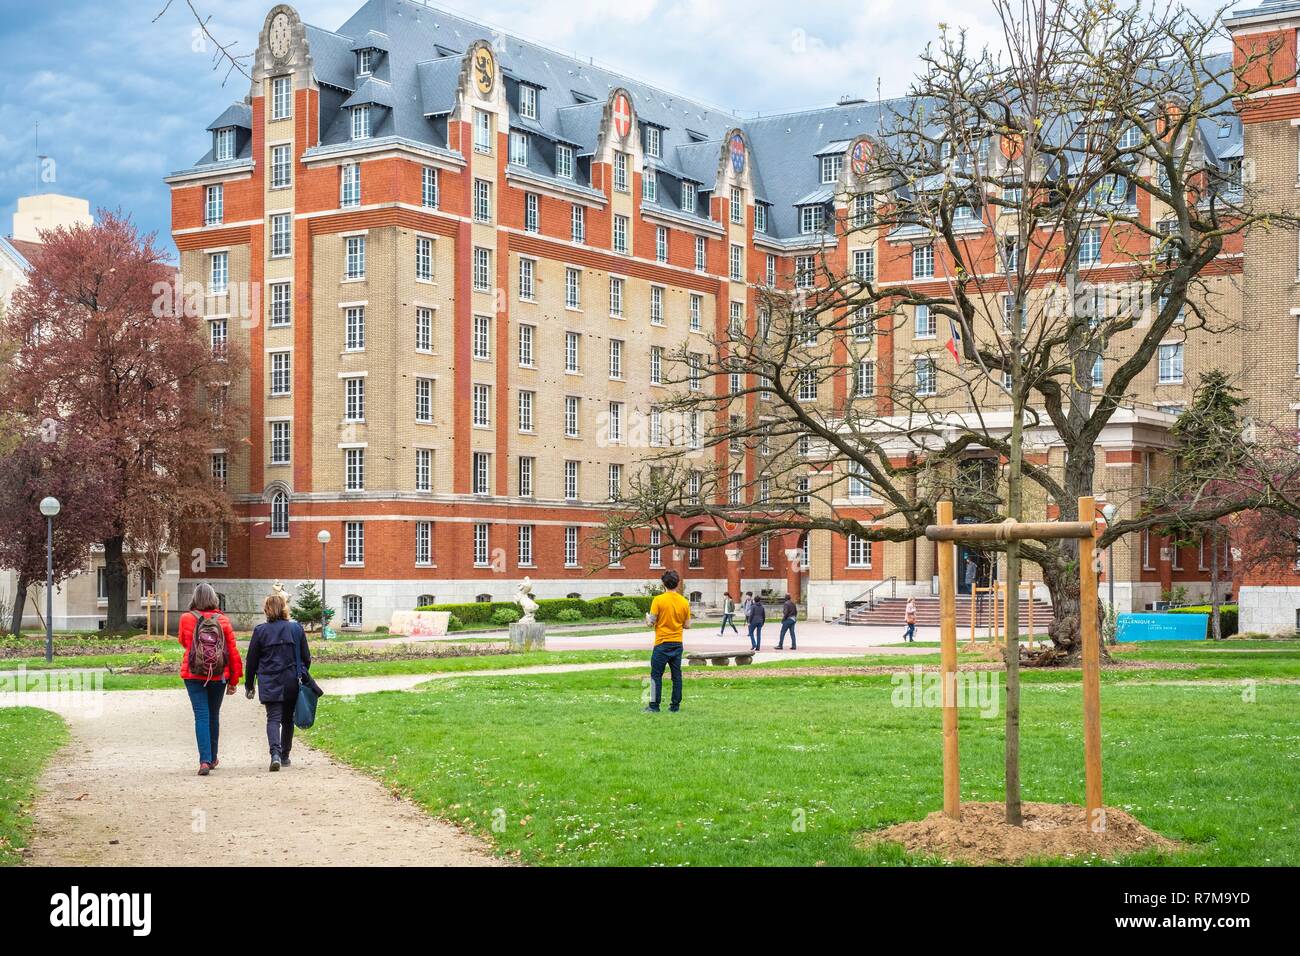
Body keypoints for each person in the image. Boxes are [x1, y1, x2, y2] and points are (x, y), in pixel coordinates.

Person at [244, 592, 321, 771]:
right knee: (287, 720)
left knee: (273, 719)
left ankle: (275, 754)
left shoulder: (260, 631)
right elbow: (306, 658)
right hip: (291, 679)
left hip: (270, 680)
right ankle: (285, 755)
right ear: (285, 608)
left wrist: (249, 685)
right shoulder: (296, 629)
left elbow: (252, 661)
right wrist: (301, 672)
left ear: (267, 610)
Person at [177, 583, 242, 776]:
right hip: (218, 674)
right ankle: (213, 758)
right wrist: (234, 680)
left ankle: (204, 761)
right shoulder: (222, 620)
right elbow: (232, 651)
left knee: (201, 716)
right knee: (214, 715)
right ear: (214, 598)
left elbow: (183, 641)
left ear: (195, 598)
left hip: (194, 674)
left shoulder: (186, 618)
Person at [644, 569, 690, 713]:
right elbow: (687, 625)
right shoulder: (684, 602)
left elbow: (651, 622)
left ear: (663, 583)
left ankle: (654, 706)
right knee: (677, 676)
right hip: (677, 642)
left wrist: (647, 619)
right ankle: (675, 706)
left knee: (655, 675)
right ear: (678, 583)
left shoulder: (658, 600)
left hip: (662, 642)